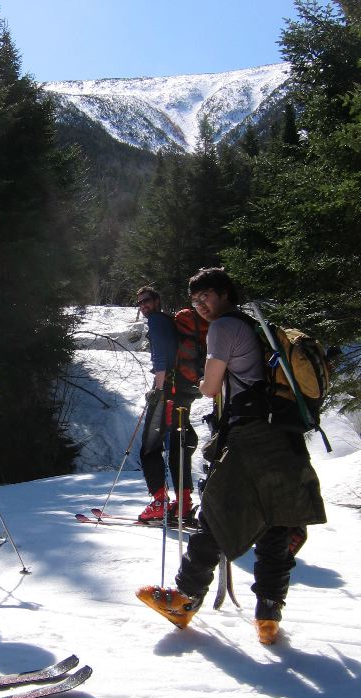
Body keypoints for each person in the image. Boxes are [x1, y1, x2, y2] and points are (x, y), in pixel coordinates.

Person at [137, 268, 326, 644]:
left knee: (218, 510)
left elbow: (209, 388)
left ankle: (185, 598)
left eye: (205, 296)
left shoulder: (224, 327)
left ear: (224, 293)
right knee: (276, 518)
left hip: (250, 432)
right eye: (195, 300)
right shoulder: (257, 326)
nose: (200, 305)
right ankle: (268, 614)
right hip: (282, 432)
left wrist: (191, 379)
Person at [136, 286, 198, 524]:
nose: (144, 306)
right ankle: (183, 502)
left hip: (168, 392)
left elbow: (160, 358)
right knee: (178, 444)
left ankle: (160, 502)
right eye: (140, 303)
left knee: (150, 446)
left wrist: (158, 389)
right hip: (183, 390)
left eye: (147, 301)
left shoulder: (157, 321)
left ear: (157, 300)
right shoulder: (170, 321)